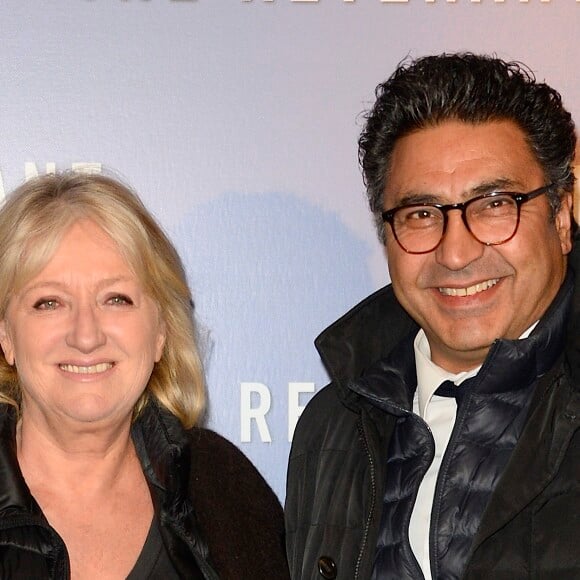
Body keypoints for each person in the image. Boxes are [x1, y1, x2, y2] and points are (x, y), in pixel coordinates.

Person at [285, 53, 580, 580]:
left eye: (493, 204)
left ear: (561, 215)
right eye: (422, 214)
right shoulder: (333, 428)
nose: (456, 252)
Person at [0, 171, 289, 579]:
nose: (86, 335)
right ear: (6, 335)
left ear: (160, 332)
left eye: (116, 299)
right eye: (49, 302)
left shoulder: (222, 488)